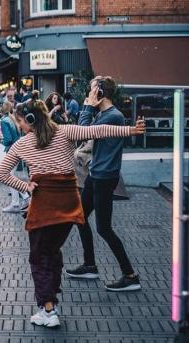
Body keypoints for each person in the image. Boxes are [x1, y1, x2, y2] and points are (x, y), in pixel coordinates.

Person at [0, 95, 145, 328]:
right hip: (69, 204)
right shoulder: (65, 132)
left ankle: (48, 309)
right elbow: (100, 131)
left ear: (31, 119)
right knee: (52, 251)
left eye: (22, 122)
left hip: (44, 206)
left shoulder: (23, 144)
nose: (20, 126)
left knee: (38, 257)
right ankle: (51, 299)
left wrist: (26, 186)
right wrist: (131, 131)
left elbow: (1, 173)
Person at [65, 76, 143, 291]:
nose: (88, 95)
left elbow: (83, 132)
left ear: (100, 93)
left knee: (104, 229)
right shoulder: (105, 114)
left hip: (104, 177)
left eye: (91, 91)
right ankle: (90, 265)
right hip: (95, 174)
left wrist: (87, 106)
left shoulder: (113, 116)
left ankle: (130, 275)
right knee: (79, 217)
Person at [0, 101, 28, 213]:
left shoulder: (4, 121)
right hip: (17, 150)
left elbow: (8, 139)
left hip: (12, 151)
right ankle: (22, 198)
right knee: (11, 176)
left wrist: (0, 140)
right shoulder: (12, 119)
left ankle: (18, 202)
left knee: (8, 176)